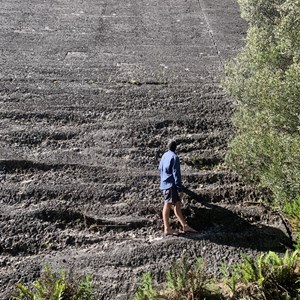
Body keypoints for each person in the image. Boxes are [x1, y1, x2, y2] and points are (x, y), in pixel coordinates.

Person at [159, 140, 197, 235]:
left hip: (165, 184)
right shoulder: (174, 157)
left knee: (177, 204)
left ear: (167, 146)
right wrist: (180, 189)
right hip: (171, 185)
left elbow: (160, 168)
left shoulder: (164, 156)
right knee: (167, 204)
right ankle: (167, 229)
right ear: (176, 148)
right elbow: (177, 175)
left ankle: (185, 226)